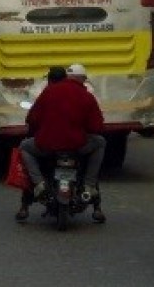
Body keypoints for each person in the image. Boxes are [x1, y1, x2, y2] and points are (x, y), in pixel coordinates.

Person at [17, 63, 107, 223]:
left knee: (25, 147)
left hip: (47, 146)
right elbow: (97, 127)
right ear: (82, 79)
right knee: (100, 142)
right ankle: (89, 185)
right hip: (77, 146)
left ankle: (39, 184)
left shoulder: (48, 92)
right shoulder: (86, 96)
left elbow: (32, 119)